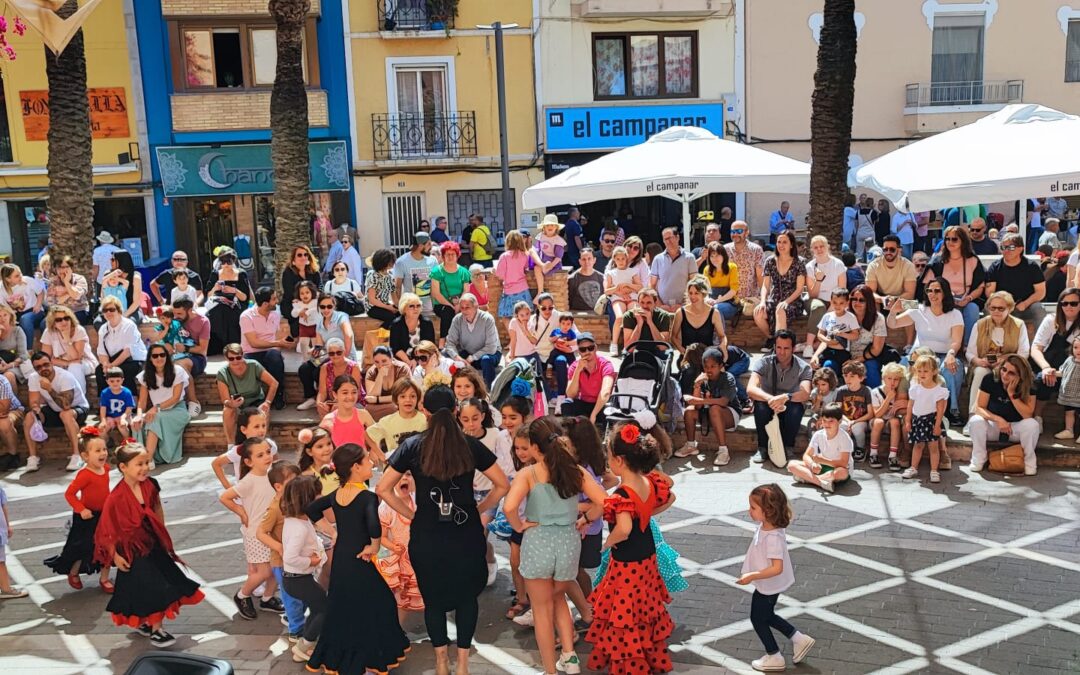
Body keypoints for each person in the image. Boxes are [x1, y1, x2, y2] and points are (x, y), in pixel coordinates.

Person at [377, 385, 509, 675]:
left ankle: (440, 661)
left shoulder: (413, 446)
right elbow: (503, 484)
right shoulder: (469, 444)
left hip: (427, 534)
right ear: (454, 412)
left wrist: (410, 513)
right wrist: (479, 506)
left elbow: (382, 488)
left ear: (424, 411)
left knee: (433, 599)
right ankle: (462, 662)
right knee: (466, 598)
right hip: (465, 534)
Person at [503, 417, 606, 675]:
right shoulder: (575, 470)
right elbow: (604, 501)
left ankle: (550, 670)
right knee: (559, 596)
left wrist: (519, 526)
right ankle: (569, 657)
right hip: (568, 543)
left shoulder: (529, 474)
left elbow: (509, 507)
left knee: (541, 611)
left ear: (535, 447)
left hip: (539, 542)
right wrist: (585, 519)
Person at [585, 420, 676, 675]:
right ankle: (649, 654)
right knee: (644, 605)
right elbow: (670, 496)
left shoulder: (622, 494)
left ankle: (630, 663)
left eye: (609, 456)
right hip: (647, 555)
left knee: (625, 612)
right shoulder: (648, 482)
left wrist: (606, 544)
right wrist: (645, 514)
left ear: (620, 461)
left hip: (627, 561)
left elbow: (623, 529)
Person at [93, 442, 204, 647]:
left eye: (146, 462)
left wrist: (162, 531)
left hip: (152, 543)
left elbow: (157, 507)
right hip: (132, 550)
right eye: (139, 464)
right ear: (123, 467)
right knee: (150, 586)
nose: (145, 467)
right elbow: (106, 530)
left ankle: (148, 623)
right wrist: (115, 556)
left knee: (156, 583)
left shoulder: (150, 485)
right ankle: (156, 629)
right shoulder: (116, 497)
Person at [736, 483, 815, 671]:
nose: (749, 511)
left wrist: (752, 576)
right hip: (768, 585)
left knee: (757, 618)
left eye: (753, 508)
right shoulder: (767, 526)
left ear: (768, 510)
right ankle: (799, 639)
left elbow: (776, 567)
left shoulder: (773, 537)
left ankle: (774, 656)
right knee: (767, 615)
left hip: (768, 585)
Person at [218, 437, 284, 620]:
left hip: (274, 531)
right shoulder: (250, 480)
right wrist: (241, 512)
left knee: (275, 568)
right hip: (256, 533)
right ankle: (242, 595)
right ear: (248, 461)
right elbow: (225, 497)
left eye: (268, 452)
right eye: (260, 455)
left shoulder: (273, 474)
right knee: (264, 571)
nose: (267, 457)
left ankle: (267, 598)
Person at [887, 277, 965, 427]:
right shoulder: (918, 307)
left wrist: (951, 354)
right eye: (929, 290)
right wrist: (892, 312)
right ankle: (899, 404)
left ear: (945, 293)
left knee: (953, 367)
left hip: (944, 354)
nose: (932, 294)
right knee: (903, 365)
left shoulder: (955, 314)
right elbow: (893, 323)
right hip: (920, 354)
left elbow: (956, 341)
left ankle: (951, 411)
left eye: (937, 291)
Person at [44, 427, 113, 592]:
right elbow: (70, 494)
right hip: (86, 517)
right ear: (85, 456)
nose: (103, 453)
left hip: (103, 515)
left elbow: (106, 491)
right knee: (83, 547)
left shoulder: (107, 469)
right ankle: (73, 572)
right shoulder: (85, 475)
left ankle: (104, 578)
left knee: (108, 545)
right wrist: (81, 509)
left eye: (104, 449)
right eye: (97, 450)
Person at [746, 330, 813, 466]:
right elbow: (751, 388)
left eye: (786, 348)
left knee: (796, 408)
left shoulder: (804, 367)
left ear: (793, 348)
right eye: (779, 347)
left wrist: (785, 397)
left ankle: (788, 447)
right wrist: (771, 399)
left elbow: (805, 393)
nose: (782, 352)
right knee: (760, 405)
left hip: (789, 407)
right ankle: (762, 447)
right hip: (768, 406)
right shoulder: (763, 363)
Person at [965, 291, 1029, 424]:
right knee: (981, 372)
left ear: (1010, 308)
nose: (996, 311)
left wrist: (1006, 360)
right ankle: (973, 416)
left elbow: (1024, 352)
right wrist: (979, 361)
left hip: (1009, 366)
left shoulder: (1019, 325)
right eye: (992, 308)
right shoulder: (980, 324)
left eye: (1001, 308)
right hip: (984, 365)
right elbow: (970, 352)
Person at [921, 225, 985, 346]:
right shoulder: (937, 261)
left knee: (973, 309)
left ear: (963, 241)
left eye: (954, 239)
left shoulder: (973, 260)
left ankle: (967, 346)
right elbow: (926, 285)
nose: (950, 242)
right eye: (947, 239)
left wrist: (969, 298)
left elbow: (980, 286)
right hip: (941, 299)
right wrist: (942, 296)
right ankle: (950, 346)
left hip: (965, 299)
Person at [676, 346, 740, 465]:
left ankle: (723, 451)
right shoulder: (703, 379)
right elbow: (697, 407)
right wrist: (697, 385)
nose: (709, 370)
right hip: (709, 414)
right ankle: (691, 445)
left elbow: (723, 402)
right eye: (706, 367)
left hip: (729, 416)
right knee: (689, 411)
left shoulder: (728, 378)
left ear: (721, 366)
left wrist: (699, 401)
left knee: (715, 409)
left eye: (713, 366)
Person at [133, 347, 192, 466]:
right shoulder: (145, 375)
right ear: (150, 358)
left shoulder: (177, 371)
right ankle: (143, 456)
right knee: (137, 422)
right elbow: (142, 401)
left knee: (155, 418)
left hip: (177, 410)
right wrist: (138, 415)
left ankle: (148, 459)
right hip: (158, 411)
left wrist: (156, 408)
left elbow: (175, 398)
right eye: (155, 356)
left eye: (162, 355)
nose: (159, 358)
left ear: (166, 356)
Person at [1029, 287, 1080, 418]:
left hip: (1075, 369)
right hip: (1050, 365)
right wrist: (1046, 368)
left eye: (1074, 303)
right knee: (1043, 380)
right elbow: (1036, 348)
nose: (1069, 306)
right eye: (1064, 303)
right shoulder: (1051, 320)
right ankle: (1037, 417)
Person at [216, 343, 279, 446]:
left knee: (263, 411)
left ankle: (261, 442)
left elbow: (274, 383)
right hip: (238, 405)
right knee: (227, 410)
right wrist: (232, 404)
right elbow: (225, 400)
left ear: (243, 355)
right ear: (226, 358)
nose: (236, 361)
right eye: (231, 359)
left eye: (238, 357)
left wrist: (267, 402)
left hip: (256, 401)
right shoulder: (222, 373)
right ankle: (231, 445)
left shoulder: (253, 365)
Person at [240, 287, 291, 410]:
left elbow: (277, 334)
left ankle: (279, 395)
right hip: (251, 352)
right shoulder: (246, 316)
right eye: (274, 299)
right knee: (250, 364)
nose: (277, 301)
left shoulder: (276, 314)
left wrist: (279, 345)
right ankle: (255, 398)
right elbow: (254, 343)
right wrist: (278, 343)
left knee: (275, 358)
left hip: (270, 350)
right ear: (265, 304)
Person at [902, 354, 949, 483]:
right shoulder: (915, 388)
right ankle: (913, 467)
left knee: (933, 447)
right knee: (918, 445)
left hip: (931, 420)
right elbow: (910, 405)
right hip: (918, 420)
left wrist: (938, 425)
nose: (922, 374)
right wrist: (908, 420)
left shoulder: (939, 390)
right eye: (919, 371)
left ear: (934, 371)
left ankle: (934, 470)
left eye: (926, 371)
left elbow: (940, 410)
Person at [787, 403, 852, 493]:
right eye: (824, 420)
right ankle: (822, 483)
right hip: (822, 468)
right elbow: (806, 455)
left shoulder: (844, 437)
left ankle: (807, 479)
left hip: (837, 469)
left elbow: (843, 463)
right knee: (791, 465)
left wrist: (822, 460)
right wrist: (812, 464)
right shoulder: (818, 434)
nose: (826, 424)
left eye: (831, 421)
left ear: (840, 421)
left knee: (842, 473)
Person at [754, 231, 806, 342]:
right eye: (779, 242)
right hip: (774, 299)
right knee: (758, 312)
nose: (781, 245)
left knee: (780, 309)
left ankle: (779, 344)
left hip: (792, 301)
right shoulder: (770, 261)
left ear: (791, 245)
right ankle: (772, 339)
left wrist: (786, 302)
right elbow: (765, 285)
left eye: (784, 242)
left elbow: (799, 288)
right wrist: (763, 301)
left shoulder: (799, 262)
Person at [985, 233, 1047, 325]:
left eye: (1011, 247)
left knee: (1038, 309)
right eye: (1003, 247)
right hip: (1002, 306)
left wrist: (1025, 303)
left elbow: (1040, 292)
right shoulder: (995, 267)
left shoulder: (1032, 267)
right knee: (988, 309)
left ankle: (1041, 339)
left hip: (1027, 305)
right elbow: (990, 292)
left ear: (1020, 248)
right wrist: (1003, 305)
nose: (1006, 251)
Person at [803, 236, 847, 358]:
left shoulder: (838, 264)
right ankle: (809, 345)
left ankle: (813, 345)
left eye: (822, 246)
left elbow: (842, 289)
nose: (819, 249)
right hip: (816, 300)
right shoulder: (810, 267)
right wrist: (818, 280)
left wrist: (833, 306)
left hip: (835, 300)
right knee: (818, 307)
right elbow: (813, 294)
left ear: (827, 246)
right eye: (816, 247)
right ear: (812, 250)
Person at [529, 295, 577, 406]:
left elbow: (577, 336)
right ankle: (548, 396)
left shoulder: (561, 317)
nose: (547, 311)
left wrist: (570, 348)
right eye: (543, 308)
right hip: (539, 353)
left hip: (557, 352)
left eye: (550, 308)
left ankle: (562, 395)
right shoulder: (533, 319)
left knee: (561, 361)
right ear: (538, 307)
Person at [94, 295, 146, 396]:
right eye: (105, 310)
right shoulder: (103, 329)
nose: (108, 312)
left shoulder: (129, 325)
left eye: (112, 309)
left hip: (133, 359)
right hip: (113, 360)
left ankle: (131, 403)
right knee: (99, 371)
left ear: (119, 310)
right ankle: (105, 403)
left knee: (123, 371)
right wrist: (106, 365)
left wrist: (112, 366)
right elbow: (101, 352)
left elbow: (127, 352)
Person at [445, 293, 502, 387]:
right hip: (468, 354)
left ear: (476, 306)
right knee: (446, 354)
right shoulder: (457, 320)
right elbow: (449, 344)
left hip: (489, 355)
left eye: (467, 307)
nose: (464, 311)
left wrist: (472, 358)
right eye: (462, 308)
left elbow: (491, 348)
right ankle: (455, 387)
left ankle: (489, 390)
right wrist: (457, 358)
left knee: (486, 359)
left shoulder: (487, 319)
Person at [39, 305, 96, 396]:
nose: (63, 322)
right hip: (61, 364)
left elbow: (76, 357)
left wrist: (66, 338)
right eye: (59, 320)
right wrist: (66, 363)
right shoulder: (48, 332)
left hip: (85, 362)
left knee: (74, 367)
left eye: (66, 318)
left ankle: (79, 400)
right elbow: (46, 359)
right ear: (53, 323)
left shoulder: (79, 330)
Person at [166, 299, 209, 416]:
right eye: (174, 313)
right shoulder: (173, 320)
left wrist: (185, 348)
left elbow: (203, 349)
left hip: (197, 357)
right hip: (176, 355)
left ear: (190, 310)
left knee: (180, 366)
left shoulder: (203, 321)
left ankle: (193, 401)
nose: (176, 316)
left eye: (179, 314)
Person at [204, 251, 253, 355]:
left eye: (228, 262)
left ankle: (233, 344)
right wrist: (215, 288)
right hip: (218, 303)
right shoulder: (215, 274)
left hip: (237, 303)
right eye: (223, 262)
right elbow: (208, 295)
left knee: (231, 313)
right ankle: (218, 345)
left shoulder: (241, 274)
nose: (226, 265)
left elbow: (245, 297)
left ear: (233, 262)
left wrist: (234, 290)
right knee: (215, 314)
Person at [562, 333, 614, 425]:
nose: (587, 352)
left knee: (609, 412)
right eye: (583, 349)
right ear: (579, 352)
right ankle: (572, 436)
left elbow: (605, 393)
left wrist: (593, 415)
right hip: (584, 403)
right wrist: (578, 371)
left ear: (596, 348)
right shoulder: (574, 366)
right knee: (566, 404)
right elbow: (570, 394)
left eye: (590, 348)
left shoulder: (606, 365)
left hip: (600, 404)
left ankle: (604, 436)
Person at [809, 288, 860, 379]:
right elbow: (820, 334)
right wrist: (828, 341)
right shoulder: (827, 316)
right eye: (835, 302)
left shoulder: (850, 317)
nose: (837, 306)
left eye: (841, 303)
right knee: (817, 367)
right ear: (831, 301)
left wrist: (842, 334)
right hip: (827, 350)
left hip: (842, 352)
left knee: (836, 370)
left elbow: (855, 335)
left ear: (847, 303)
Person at [367, 378, 426, 455]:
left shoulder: (425, 419)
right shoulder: (387, 421)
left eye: (412, 396)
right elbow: (367, 434)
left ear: (417, 398)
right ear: (396, 399)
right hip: (394, 466)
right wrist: (380, 455)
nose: (408, 400)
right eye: (403, 396)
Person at [431, 241, 474, 344]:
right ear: (443, 256)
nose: (450, 257)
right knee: (448, 311)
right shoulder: (437, 271)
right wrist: (451, 305)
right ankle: (443, 342)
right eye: (447, 254)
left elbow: (466, 290)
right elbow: (435, 293)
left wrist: (459, 305)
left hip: (460, 303)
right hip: (441, 304)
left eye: (453, 254)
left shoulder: (464, 272)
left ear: (457, 255)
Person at [672, 276, 728, 354]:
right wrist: (682, 350)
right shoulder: (680, 312)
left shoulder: (714, 313)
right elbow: (673, 337)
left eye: (696, 293)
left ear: (703, 294)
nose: (692, 296)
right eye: (690, 293)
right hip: (687, 357)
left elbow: (722, 336)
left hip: (707, 358)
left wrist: (723, 346)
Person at [847, 285, 889, 388]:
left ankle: (876, 398)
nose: (857, 303)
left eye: (861, 300)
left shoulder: (878, 318)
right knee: (829, 365)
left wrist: (856, 361)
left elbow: (876, 349)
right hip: (845, 355)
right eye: (854, 299)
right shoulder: (844, 315)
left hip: (868, 356)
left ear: (869, 302)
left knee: (871, 367)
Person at [869, 363, 908, 471]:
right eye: (889, 378)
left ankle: (892, 455)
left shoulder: (900, 393)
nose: (892, 382)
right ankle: (873, 454)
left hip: (892, 422)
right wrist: (888, 399)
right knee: (878, 422)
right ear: (883, 378)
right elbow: (877, 414)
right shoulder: (875, 392)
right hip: (878, 421)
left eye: (896, 379)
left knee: (895, 422)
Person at [650, 227, 697, 312]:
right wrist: (659, 305)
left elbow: (694, 283)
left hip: (684, 308)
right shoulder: (657, 259)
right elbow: (652, 285)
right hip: (662, 308)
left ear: (677, 237)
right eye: (665, 239)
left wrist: (684, 305)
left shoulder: (689, 258)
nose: (668, 241)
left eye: (670, 238)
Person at [834, 361, 873, 459]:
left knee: (857, 428)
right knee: (841, 426)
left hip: (861, 420)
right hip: (845, 419)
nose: (848, 379)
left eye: (852, 376)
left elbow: (870, 413)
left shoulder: (866, 391)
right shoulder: (841, 391)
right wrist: (848, 422)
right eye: (846, 375)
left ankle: (861, 448)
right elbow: (838, 410)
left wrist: (854, 421)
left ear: (861, 378)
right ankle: (842, 450)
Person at [280, 246, 321, 338]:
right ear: (294, 258)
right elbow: (289, 291)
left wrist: (311, 302)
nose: (303, 257)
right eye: (299, 255)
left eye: (305, 254)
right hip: (293, 302)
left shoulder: (314, 271)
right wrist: (302, 306)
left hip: (312, 302)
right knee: (296, 318)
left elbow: (319, 287)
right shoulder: (288, 272)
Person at [394, 231, 438, 315]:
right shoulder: (401, 262)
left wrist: (435, 305)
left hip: (429, 309)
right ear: (420, 246)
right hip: (410, 309)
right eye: (429, 244)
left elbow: (435, 285)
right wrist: (399, 308)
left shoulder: (433, 260)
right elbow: (397, 287)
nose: (431, 247)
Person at [364, 345, 411, 421]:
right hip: (380, 406)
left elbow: (402, 395)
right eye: (376, 362)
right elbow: (371, 396)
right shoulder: (372, 371)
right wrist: (380, 376)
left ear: (391, 359)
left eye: (384, 361)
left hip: (397, 404)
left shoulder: (402, 369)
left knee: (393, 408)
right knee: (368, 410)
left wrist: (377, 400)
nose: (380, 365)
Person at [389, 293, 436, 370]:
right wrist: (409, 362)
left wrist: (417, 360)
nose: (416, 309)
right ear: (404, 308)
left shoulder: (427, 323)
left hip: (424, 358)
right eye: (411, 306)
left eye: (418, 306)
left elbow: (430, 346)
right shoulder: (396, 324)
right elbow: (395, 348)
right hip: (402, 359)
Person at [0, 263, 45, 342]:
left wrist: (38, 305)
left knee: (25, 319)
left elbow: (41, 292)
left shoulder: (27, 280)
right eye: (16, 276)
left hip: (34, 311)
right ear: (8, 279)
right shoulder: (1, 288)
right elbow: (3, 307)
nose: (20, 276)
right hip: (14, 314)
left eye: (20, 273)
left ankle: (28, 350)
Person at [700, 242, 741, 323]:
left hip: (729, 303)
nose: (715, 258)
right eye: (712, 256)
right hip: (711, 302)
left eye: (717, 255)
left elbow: (733, 291)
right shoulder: (707, 270)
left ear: (723, 255)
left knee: (716, 309)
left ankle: (720, 335)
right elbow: (704, 290)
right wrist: (707, 299)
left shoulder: (732, 267)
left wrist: (717, 301)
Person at [46, 256, 91, 323]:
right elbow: (53, 303)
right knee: (43, 324)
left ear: (71, 268)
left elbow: (76, 296)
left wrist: (66, 282)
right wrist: (69, 293)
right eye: (59, 267)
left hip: (78, 311)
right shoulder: (53, 282)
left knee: (73, 321)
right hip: (59, 312)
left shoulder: (80, 279)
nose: (61, 270)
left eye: (64, 267)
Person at [567, 247, 604, 312]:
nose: (586, 262)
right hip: (578, 316)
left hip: (598, 316)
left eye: (589, 259)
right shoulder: (572, 279)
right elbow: (569, 299)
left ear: (594, 260)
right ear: (580, 261)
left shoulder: (602, 278)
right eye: (583, 259)